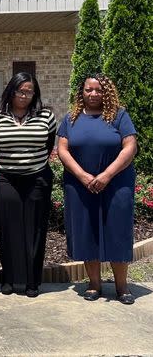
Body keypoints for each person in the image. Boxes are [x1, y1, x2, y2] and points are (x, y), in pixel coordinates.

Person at [57, 74, 137, 305]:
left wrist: (106, 175)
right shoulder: (71, 119)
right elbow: (63, 150)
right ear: (81, 92)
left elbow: (130, 146)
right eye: (88, 90)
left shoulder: (119, 116)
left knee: (117, 232)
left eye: (98, 90)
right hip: (79, 186)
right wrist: (82, 176)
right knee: (86, 231)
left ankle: (122, 287)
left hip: (117, 184)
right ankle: (94, 284)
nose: (93, 94)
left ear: (106, 92)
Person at [0, 72, 56, 297]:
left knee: (35, 229)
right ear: (11, 90)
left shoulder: (46, 116)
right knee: (8, 228)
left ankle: (32, 282)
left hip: (37, 178)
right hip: (6, 178)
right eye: (20, 90)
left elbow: (48, 145)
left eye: (29, 91)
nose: (25, 95)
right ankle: (8, 280)